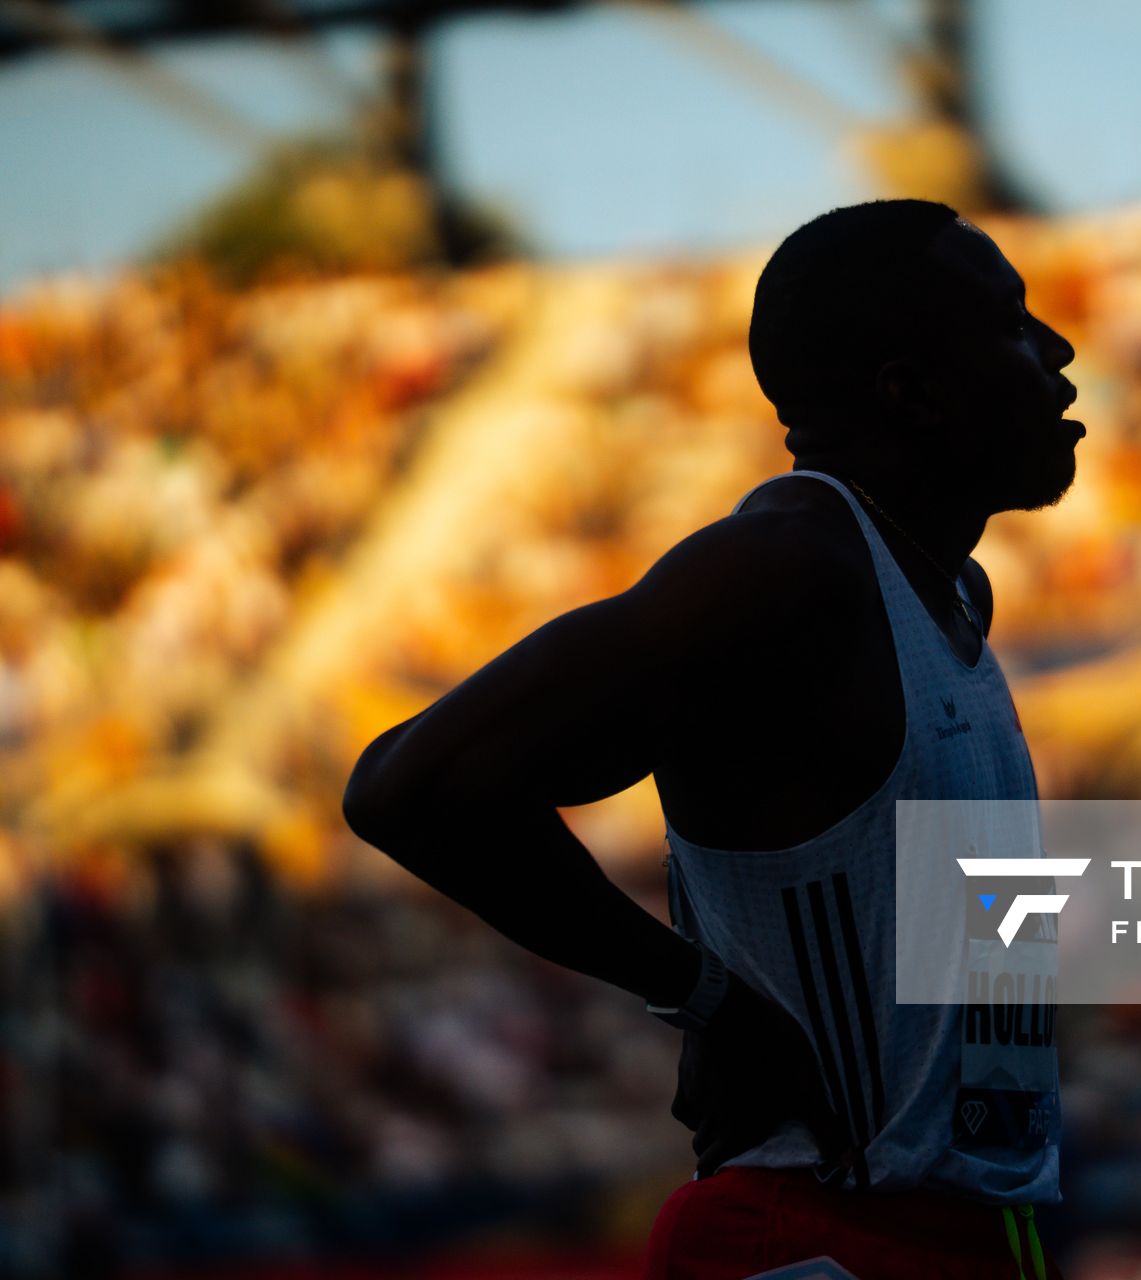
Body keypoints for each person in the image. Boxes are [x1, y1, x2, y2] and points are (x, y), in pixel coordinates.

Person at [342, 199, 1084, 1279]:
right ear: (909, 389)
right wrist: (704, 995)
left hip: (962, 1232)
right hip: (819, 1231)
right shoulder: (787, 573)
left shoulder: (945, 591)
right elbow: (408, 784)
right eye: (1014, 325)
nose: (1059, 353)